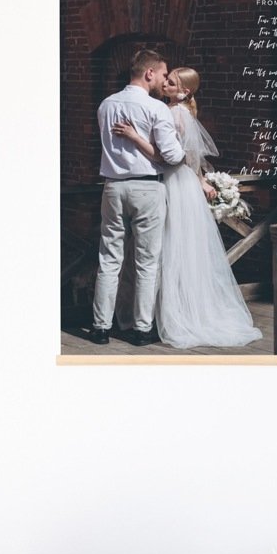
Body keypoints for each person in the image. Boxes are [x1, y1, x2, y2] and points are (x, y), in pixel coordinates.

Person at [112, 67, 262, 349]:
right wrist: (201, 180)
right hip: (181, 181)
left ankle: (166, 315)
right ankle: (161, 313)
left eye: (171, 83)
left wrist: (134, 136)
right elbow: (190, 159)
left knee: (168, 246)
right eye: (166, 80)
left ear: (184, 91)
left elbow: (171, 157)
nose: (165, 85)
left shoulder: (174, 113)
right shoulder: (177, 111)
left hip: (170, 181)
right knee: (171, 246)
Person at [90, 49, 185, 346]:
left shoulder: (106, 105)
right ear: (149, 73)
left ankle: (100, 327)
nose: (163, 80)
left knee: (109, 259)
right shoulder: (156, 108)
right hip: (146, 188)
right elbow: (173, 156)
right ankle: (142, 329)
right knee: (146, 261)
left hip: (112, 187)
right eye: (162, 74)